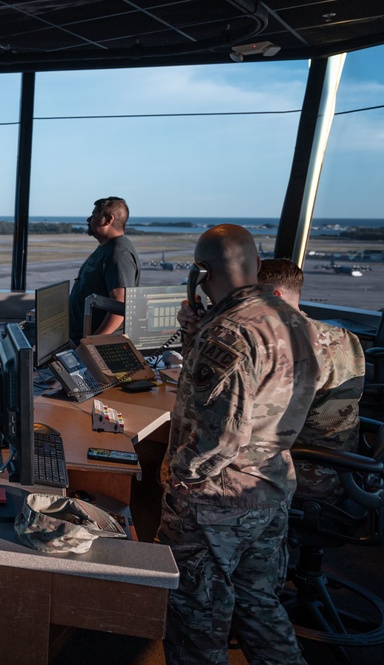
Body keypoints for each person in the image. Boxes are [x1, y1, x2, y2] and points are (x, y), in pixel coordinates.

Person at [157, 225, 328, 665]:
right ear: (255, 264)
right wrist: (197, 331)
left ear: (201, 272)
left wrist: (179, 477)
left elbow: (220, 438)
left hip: (217, 501)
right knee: (259, 605)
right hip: (269, 487)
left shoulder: (228, 334)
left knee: (198, 616)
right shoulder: (296, 321)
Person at [258, 258, 365, 500]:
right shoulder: (344, 336)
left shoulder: (286, 350)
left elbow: (253, 420)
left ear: (274, 296)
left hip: (308, 469)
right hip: (344, 460)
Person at [67, 196, 140, 343]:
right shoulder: (107, 248)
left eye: (94, 215)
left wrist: (92, 343)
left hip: (98, 343)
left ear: (108, 220)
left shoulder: (118, 253)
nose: (88, 219)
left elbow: (121, 306)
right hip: (82, 338)